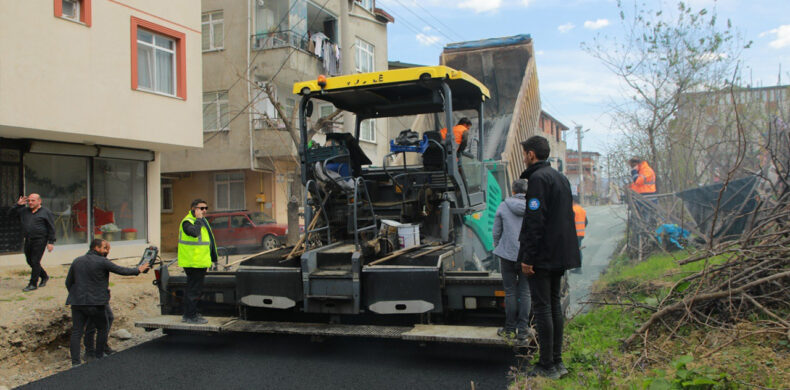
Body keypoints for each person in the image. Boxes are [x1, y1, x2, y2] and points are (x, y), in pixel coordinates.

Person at [517, 136, 581, 379]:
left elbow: (535, 221)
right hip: (560, 253)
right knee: (554, 306)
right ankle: (557, 362)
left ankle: (546, 365)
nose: (524, 157)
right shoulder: (560, 178)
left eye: (525, 153)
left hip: (542, 256)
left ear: (531, 154)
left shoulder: (537, 179)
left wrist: (528, 257)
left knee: (542, 308)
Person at [65, 239, 149, 366]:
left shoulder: (77, 261)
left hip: (77, 302)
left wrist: (76, 295)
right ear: (96, 248)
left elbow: (68, 282)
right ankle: (99, 356)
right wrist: (138, 270)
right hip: (96, 303)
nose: (107, 251)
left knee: (77, 331)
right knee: (102, 327)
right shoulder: (102, 262)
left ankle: (76, 362)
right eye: (105, 248)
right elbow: (121, 270)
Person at [492, 179, 531, 343]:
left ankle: (509, 329)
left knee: (510, 292)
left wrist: (499, 246)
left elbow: (496, 231)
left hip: (507, 255)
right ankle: (523, 330)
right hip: (527, 256)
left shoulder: (503, 206)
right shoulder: (533, 207)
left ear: (513, 191)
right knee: (525, 292)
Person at [178, 199, 218, 324]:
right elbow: (194, 233)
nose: (204, 210)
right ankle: (190, 316)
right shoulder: (188, 222)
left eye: (206, 208)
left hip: (199, 261)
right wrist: (199, 219)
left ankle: (191, 313)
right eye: (201, 208)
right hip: (192, 262)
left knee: (195, 289)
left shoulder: (202, 221)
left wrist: (213, 258)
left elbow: (208, 241)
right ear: (193, 209)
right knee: (193, 289)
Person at [8, 194, 56, 292]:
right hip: (28, 239)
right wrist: (17, 205)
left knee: (35, 261)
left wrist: (51, 242)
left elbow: (51, 227)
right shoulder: (24, 211)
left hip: (40, 240)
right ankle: (44, 276)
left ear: (39, 201)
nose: (30, 202)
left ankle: (33, 283)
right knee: (30, 261)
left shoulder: (46, 212)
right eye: (29, 200)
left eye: (33, 200)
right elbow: (9, 215)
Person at [572, 196, 588, 274]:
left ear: (573, 201)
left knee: (576, 251)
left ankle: (578, 268)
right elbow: (586, 222)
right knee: (578, 250)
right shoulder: (582, 210)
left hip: (574, 234)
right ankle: (577, 267)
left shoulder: (573, 210)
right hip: (581, 233)